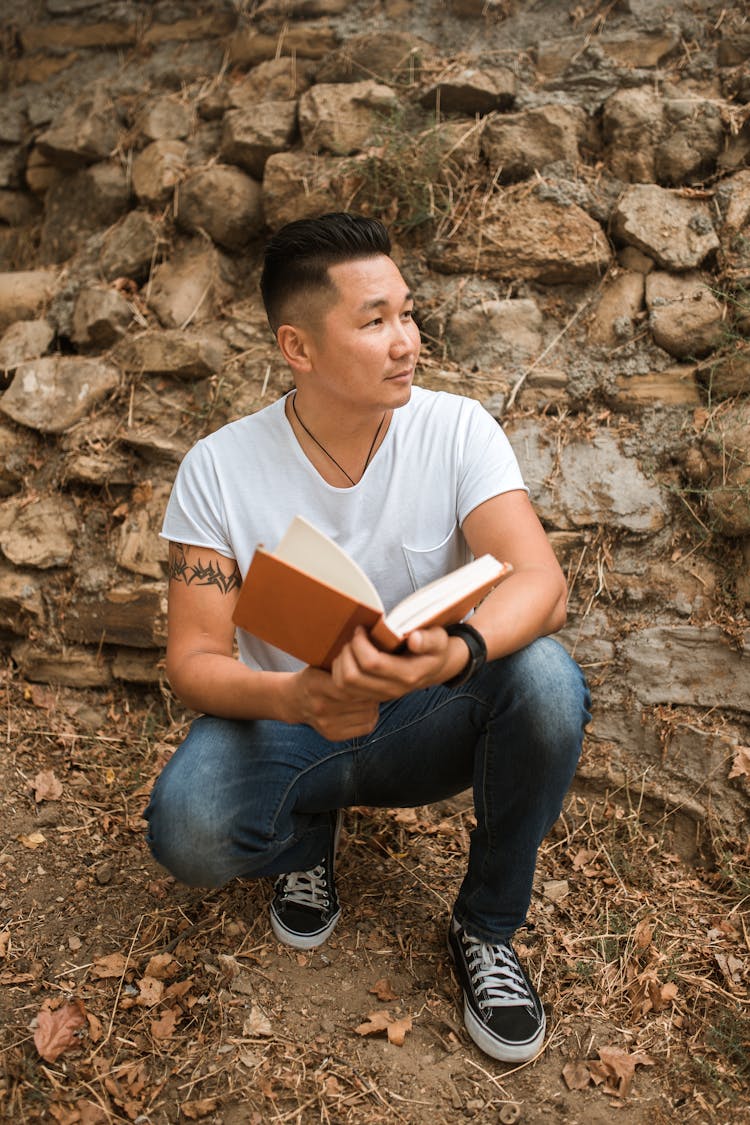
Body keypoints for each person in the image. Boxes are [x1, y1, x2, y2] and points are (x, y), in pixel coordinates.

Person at [145, 212, 590, 1065]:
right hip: (292, 722)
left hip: (427, 712)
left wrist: (460, 651)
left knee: (545, 676)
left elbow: (542, 583)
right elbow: (192, 661)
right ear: (299, 347)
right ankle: (304, 838)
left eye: (409, 314)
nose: (406, 341)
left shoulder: (457, 429)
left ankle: (488, 929)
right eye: (375, 320)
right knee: (187, 827)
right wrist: (295, 695)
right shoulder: (219, 466)